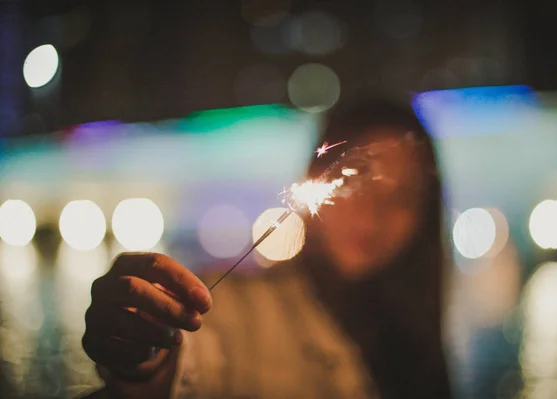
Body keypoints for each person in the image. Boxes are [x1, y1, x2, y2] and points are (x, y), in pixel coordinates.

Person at [81, 97, 451, 399]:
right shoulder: (238, 307)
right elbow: (189, 365)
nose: (374, 213)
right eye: (359, 179)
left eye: (402, 195)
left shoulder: (414, 337)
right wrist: (143, 353)